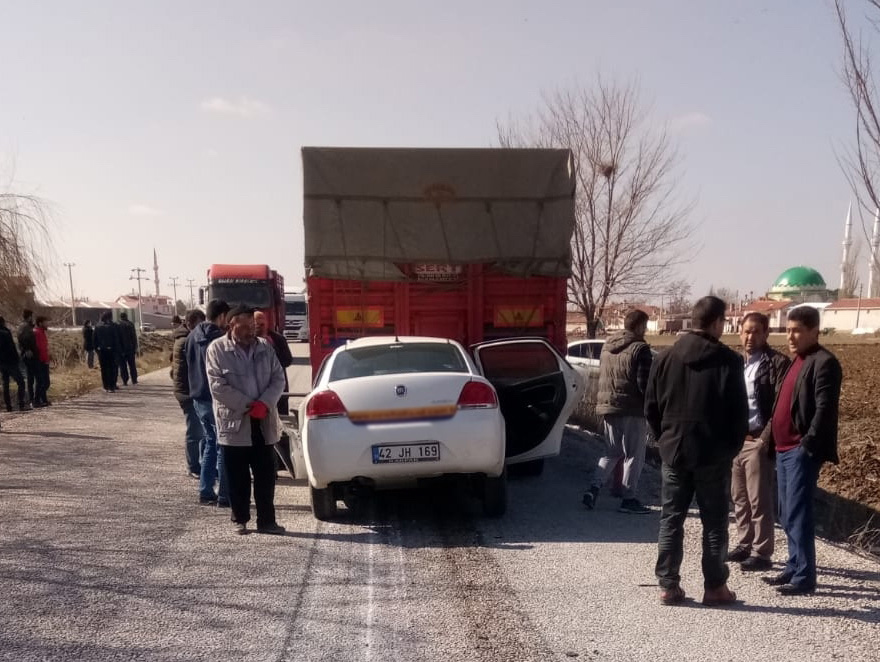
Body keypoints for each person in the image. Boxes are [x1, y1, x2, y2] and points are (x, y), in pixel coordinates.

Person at [645, 296, 748, 607]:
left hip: (674, 451)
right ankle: (715, 587)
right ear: (717, 322)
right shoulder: (729, 361)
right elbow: (739, 416)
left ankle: (668, 585)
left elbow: (651, 407)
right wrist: (730, 449)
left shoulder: (665, 358)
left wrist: (664, 439)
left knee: (671, 519)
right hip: (713, 454)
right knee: (714, 522)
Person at [763, 306, 842, 597]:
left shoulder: (825, 363)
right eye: (788, 330)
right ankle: (794, 565)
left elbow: (824, 409)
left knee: (799, 512)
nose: (790, 337)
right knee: (786, 512)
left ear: (814, 331)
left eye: (797, 331)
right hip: (783, 449)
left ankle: (805, 576)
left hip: (800, 450)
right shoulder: (797, 361)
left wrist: (808, 444)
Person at [206, 305, 286, 535]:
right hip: (235, 423)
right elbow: (217, 386)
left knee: (265, 476)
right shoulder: (217, 349)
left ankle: (267, 521)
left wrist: (265, 403)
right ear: (231, 324)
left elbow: (278, 378)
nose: (252, 329)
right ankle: (240, 519)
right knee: (237, 476)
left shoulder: (265, 348)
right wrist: (248, 406)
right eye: (246, 325)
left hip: (263, 422)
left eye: (253, 324)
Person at [728, 312, 790, 572]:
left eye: (755, 331)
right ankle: (744, 543)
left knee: (759, 499)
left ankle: (762, 552)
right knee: (739, 497)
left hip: (758, 439)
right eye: (746, 331)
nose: (749, 337)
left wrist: (765, 440)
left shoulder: (776, 363)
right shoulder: (736, 362)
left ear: (766, 333)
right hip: (736, 440)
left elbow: (780, 406)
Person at [583, 309, 653, 514]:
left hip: (608, 406)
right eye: (645, 325)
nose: (646, 329)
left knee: (611, 452)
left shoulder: (607, 346)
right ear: (639, 326)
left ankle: (593, 488)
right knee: (634, 455)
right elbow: (644, 383)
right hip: (632, 409)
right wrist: (652, 406)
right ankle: (628, 499)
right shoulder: (641, 348)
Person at [186, 299, 230, 506]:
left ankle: (205, 490)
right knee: (223, 445)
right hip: (214, 398)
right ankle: (225, 494)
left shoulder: (192, 336)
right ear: (221, 316)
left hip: (197, 398)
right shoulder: (219, 339)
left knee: (211, 443)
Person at [254, 310, 294, 472]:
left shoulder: (277, 339)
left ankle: (283, 461)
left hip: (280, 391)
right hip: (261, 394)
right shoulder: (249, 341)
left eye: (262, 322)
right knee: (263, 430)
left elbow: (288, 360)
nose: (260, 325)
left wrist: (272, 355)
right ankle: (267, 462)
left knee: (281, 426)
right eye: (256, 323)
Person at [172, 309, 206, 479]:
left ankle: (201, 464)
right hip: (187, 391)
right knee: (195, 430)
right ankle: (193, 466)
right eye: (200, 324)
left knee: (200, 429)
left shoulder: (183, 338)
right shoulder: (187, 340)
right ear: (191, 323)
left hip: (186, 389)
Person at [0, 316, 28, 412]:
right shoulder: (5, 332)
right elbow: (11, 347)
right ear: (3, 322)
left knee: (5, 384)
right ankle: (21, 404)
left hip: (1, 363)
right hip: (10, 362)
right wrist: (16, 359)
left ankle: (8, 406)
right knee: (21, 382)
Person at [16, 309, 38, 406]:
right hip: (29, 354)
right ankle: (32, 399)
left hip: (28, 353)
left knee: (31, 376)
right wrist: (28, 349)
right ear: (29, 317)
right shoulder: (25, 327)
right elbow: (23, 339)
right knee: (31, 377)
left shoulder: (25, 326)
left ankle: (32, 398)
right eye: (31, 317)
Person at [94, 312, 119, 392]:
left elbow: (94, 339)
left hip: (101, 350)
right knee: (112, 368)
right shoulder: (112, 326)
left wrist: (97, 350)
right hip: (111, 350)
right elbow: (116, 339)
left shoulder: (97, 326)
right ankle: (112, 386)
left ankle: (105, 386)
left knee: (104, 369)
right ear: (109, 318)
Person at [32, 316, 51, 407]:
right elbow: (39, 348)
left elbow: (44, 347)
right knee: (43, 382)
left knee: (44, 382)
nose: (47, 324)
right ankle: (36, 400)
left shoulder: (42, 332)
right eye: (45, 322)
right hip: (40, 361)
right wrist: (44, 359)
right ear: (40, 323)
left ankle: (43, 400)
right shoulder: (37, 333)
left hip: (44, 360)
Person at [117, 312, 139, 386]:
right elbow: (134, 337)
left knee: (123, 366)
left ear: (120, 317)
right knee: (132, 365)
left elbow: (117, 338)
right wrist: (135, 347)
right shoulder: (130, 324)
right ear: (126, 317)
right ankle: (134, 379)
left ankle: (125, 380)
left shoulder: (118, 325)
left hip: (121, 349)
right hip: (130, 348)